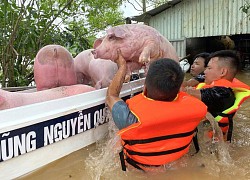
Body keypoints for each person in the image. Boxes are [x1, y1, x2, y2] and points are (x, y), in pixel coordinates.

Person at [106, 49, 207, 171]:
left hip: (140, 168)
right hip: (176, 162)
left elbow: (111, 96)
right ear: (179, 89)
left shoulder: (130, 118)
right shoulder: (197, 109)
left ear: (145, 88)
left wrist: (122, 66)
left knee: (118, 143)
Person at [183, 50, 250, 142]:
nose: (205, 71)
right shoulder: (224, 89)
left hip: (211, 146)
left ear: (222, 72)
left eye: (209, 68)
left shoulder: (222, 94)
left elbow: (183, 92)